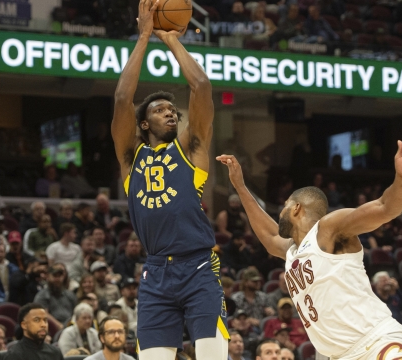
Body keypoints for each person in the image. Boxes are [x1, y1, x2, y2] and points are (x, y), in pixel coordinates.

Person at [218, 138, 402, 360]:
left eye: (285, 205)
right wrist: (240, 186)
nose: (280, 211)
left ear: (296, 208)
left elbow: (384, 207)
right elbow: (269, 237)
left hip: (376, 342)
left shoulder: (328, 229)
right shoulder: (292, 250)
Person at [114, 5, 229, 354]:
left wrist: (171, 39)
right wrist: (144, 36)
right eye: (160, 110)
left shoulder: (191, 150)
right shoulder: (131, 160)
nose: (170, 113)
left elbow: (202, 86)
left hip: (198, 268)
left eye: (172, 110)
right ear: (144, 124)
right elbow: (122, 98)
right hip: (154, 274)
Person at [33, 263, 77, 329]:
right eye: (55, 276)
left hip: (71, 326)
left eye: (59, 276)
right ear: (48, 276)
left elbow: (76, 312)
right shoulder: (42, 295)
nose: (57, 279)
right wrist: (60, 326)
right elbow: (43, 314)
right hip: (51, 329)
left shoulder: (69, 295)